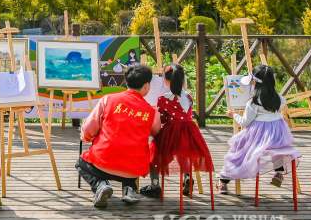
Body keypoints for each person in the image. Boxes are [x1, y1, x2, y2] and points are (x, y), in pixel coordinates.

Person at [76, 64, 161, 208]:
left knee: (81, 163)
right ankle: (129, 189)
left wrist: (87, 137)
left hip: (103, 162)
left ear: (126, 82)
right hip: (134, 167)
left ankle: (100, 185)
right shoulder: (151, 111)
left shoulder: (108, 99)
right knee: (132, 154)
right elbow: (156, 131)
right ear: (146, 86)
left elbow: (89, 128)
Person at [219, 65, 300, 194]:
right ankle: (279, 172)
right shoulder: (279, 99)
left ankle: (224, 180)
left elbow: (245, 123)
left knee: (238, 151)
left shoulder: (254, 102)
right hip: (278, 134)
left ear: (255, 83)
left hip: (258, 136)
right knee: (277, 149)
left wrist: (233, 114)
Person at [139, 64, 213, 198]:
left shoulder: (164, 99)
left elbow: (161, 119)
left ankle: (155, 185)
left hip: (171, 131)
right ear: (182, 79)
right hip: (189, 131)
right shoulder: (189, 97)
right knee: (184, 154)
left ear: (166, 80)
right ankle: (187, 177)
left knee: (154, 157)